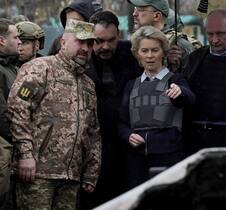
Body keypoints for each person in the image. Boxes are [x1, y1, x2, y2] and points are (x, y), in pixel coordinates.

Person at [7, 19, 101, 210]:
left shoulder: (88, 84)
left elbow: (92, 130)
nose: (85, 48)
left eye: (89, 44)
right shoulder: (41, 68)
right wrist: (25, 154)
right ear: (64, 42)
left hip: (71, 177)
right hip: (37, 174)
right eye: (80, 42)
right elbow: (18, 109)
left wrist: (92, 170)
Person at [78, 11, 142, 209]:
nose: (105, 47)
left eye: (111, 40)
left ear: (119, 35)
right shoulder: (79, 55)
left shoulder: (132, 53)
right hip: (90, 147)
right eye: (99, 41)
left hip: (127, 142)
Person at [119, 26, 195, 188]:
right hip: (137, 161)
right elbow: (122, 122)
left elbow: (190, 98)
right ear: (137, 54)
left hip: (169, 157)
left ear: (163, 52)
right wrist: (127, 135)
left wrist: (180, 92)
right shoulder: (131, 85)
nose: (150, 56)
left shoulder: (175, 80)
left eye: (155, 50)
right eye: (144, 51)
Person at [182, 9, 226, 155]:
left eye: (220, 34)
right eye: (210, 34)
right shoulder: (195, 58)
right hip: (198, 140)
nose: (214, 40)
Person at [127, 0, 194, 72]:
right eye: (135, 9)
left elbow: (192, 78)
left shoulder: (179, 44)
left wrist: (177, 66)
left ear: (156, 16)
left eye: (141, 10)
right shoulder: (135, 42)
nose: (134, 14)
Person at [0, 18, 21, 210]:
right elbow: (2, 113)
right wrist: (19, 140)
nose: (20, 42)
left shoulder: (11, 66)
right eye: (15, 37)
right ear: (1, 40)